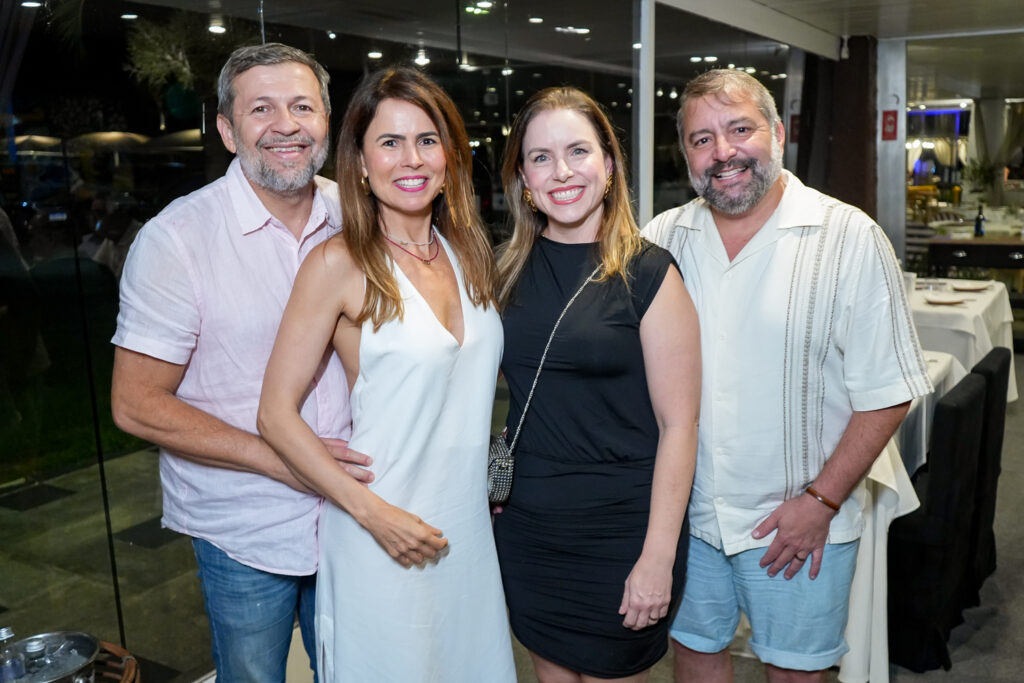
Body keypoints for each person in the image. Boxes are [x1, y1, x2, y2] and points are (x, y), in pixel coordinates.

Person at [641, 69, 933, 683]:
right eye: (701, 139)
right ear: (686, 154)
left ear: (776, 133)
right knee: (694, 658)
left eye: (739, 129)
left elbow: (888, 391)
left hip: (798, 524)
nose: (723, 153)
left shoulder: (850, 237)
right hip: (687, 520)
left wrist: (821, 501)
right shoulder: (659, 240)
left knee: (797, 673)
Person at [110, 43, 370, 682]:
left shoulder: (358, 216)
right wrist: (284, 461)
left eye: (302, 106)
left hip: (354, 513)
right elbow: (136, 402)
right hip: (246, 527)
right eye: (262, 109)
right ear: (228, 130)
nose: (286, 125)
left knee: (356, 670)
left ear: (326, 124)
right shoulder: (177, 241)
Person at [257, 67, 516, 682]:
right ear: (361, 161)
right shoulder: (337, 263)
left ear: (450, 157)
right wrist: (373, 514)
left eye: (427, 140)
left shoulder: (469, 252)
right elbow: (273, 413)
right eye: (390, 142)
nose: (411, 159)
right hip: (380, 533)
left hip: (467, 531)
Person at [493, 86, 701, 683]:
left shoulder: (650, 273)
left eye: (578, 151)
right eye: (540, 157)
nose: (561, 172)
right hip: (529, 530)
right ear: (523, 179)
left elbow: (680, 426)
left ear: (609, 166)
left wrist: (658, 557)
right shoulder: (502, 272)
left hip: (623, 531)